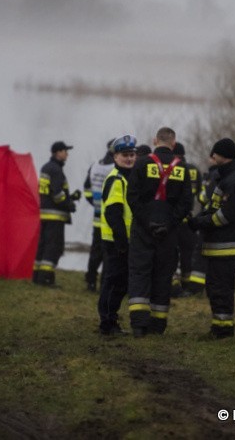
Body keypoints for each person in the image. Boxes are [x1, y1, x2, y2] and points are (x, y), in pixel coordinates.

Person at [126, 127, 193, 338]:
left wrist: (147, 222)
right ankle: (158, 325)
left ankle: (138, 324)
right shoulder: (182, 167)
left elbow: (132, 197)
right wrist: (170, 223)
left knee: (139, 272)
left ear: (155, 140)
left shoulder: (142, 163)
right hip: (169, 231)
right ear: (174, 143)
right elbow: (186, 202)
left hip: (143, 229)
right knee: (163, 275)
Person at [189, 138, 235, 338]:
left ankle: (222, 329)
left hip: (227, 245)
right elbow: (212, 207)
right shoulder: (226, 177)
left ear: (222, 156)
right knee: (216, 286)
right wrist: (197, 219)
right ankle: (221, 326)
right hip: (221, 243)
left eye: (214, 153)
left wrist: (201, 223)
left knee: (220, 288)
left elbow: (225, 216)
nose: (211, 157)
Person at [98, 135, 138, 335]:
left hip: (124, 241)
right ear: (115, 157)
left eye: (132, 155)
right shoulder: (116, 179)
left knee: (119, 283)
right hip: (116, 242)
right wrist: (122, 242)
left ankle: (110, 320)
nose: (129, 159)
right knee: (114, 283)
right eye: (125, 155)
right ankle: (107, 322)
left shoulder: (127, 178)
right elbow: (113, 213)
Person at [33, 141, 80, 286]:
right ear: (57, 152)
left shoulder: (46, 167)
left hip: (45, 213)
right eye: (65, 151)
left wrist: (71, 197)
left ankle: (37, 275)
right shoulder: (56, 170)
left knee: (43, 245)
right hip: (55, 215)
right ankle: (45, 278)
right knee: (54, 247)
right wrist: (70, 204)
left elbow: (50, 193)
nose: (67, 154)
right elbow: (58, 195)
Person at [83, 139, 116, 292]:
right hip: (111, 217)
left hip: (97, 215)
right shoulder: (115, 167)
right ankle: (104, 285)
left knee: (95, 251)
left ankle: (90, 281)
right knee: (109, 253)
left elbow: (87, 190)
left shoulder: (94, 166)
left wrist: (96, 204)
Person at [171, 142, 203, 297]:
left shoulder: (172, 168)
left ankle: (173, 284)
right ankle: (186, 286)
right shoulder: (195, 170)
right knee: (187, 255)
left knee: (171, 253)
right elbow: (201, 197)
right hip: (188, 220)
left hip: (172, 221)